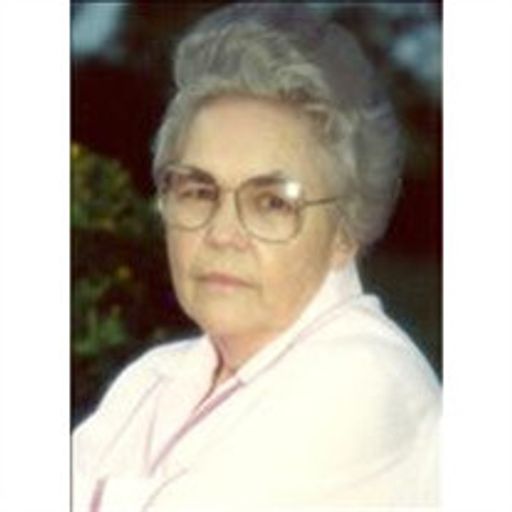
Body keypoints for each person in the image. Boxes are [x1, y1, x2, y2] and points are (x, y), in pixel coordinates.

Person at [73, 4, 441, 510]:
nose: (223, 234)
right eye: (199, 191)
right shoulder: (154, 378)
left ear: (345, 232)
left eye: (272, 203)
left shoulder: (364, 382)